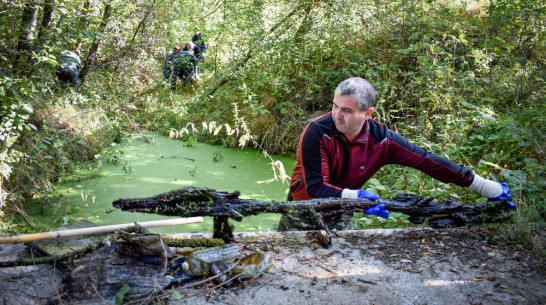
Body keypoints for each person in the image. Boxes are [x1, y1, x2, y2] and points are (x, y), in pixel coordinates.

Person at [278, 77, 515, 231]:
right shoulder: (317, 132)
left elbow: (426, 160)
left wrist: (484, 186)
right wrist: (358, 198)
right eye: (335, 106)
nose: (337, 115)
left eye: (347, 110)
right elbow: (317, 188)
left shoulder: (382, 141)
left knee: (336, 264)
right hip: (303, 208)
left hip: (341, 209)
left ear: (367, 113)